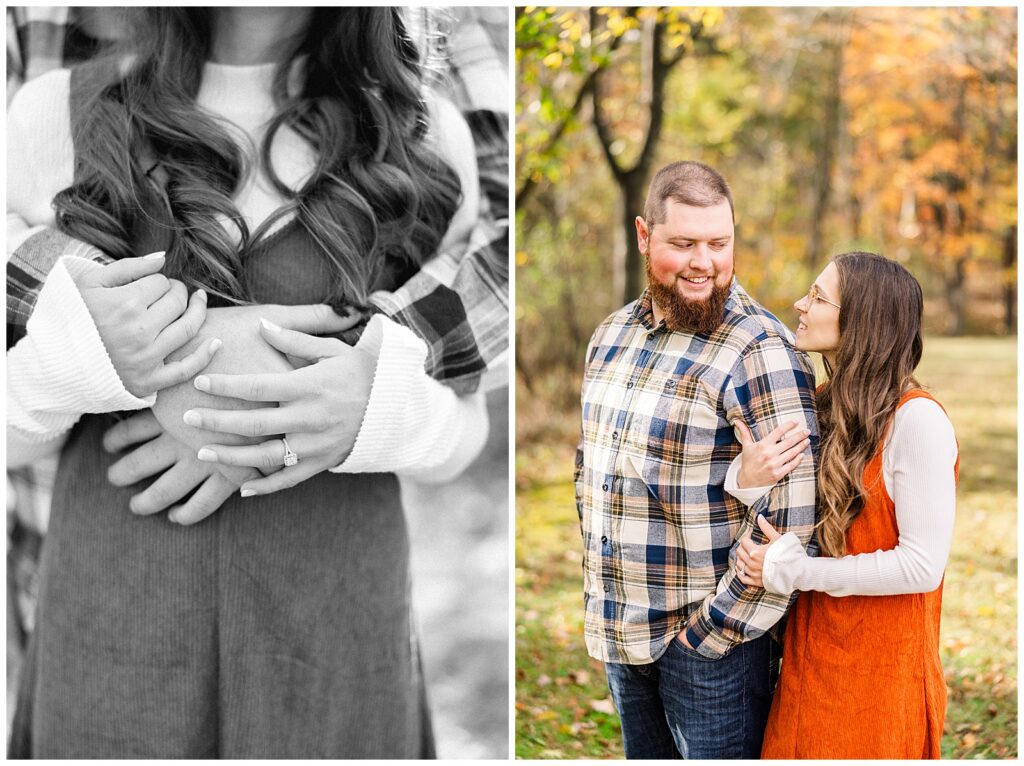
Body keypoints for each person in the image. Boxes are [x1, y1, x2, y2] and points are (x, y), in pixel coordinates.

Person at [6, 7, 495, 758]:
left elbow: (468, 431)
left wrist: (367, 408)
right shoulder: (55, 115)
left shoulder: (421, 131)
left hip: (336, 641)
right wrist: (95, 362)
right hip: (116, 635)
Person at [574, 160, 818, 759]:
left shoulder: (759, 349)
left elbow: (796, 521)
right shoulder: (609, 337)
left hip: (710, 653)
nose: (703, 262)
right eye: (683, 244)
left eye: (719, 243)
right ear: (643, 236)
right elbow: (592, 471)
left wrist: (707, 636)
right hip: (621, 633)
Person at [727, 252, 959, 759]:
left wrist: (795, 570)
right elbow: (795, 508)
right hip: (811, 657)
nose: (799, 304)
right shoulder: (826, 401)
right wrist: (746, 478)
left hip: (881, 675)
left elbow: (922, 567)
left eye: (817, 296)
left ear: (862, 320)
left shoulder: (917, 422)